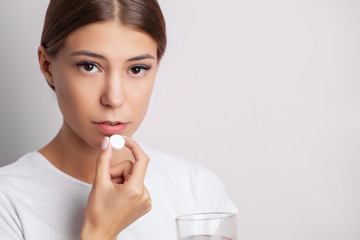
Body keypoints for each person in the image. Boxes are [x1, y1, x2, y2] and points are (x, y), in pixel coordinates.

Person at [0, 0, 237, 239]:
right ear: (47, 66)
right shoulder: (7, 203)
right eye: (89, 66)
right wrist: (100, 230)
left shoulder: (196, 190)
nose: (113, 98)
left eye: (136, 69)